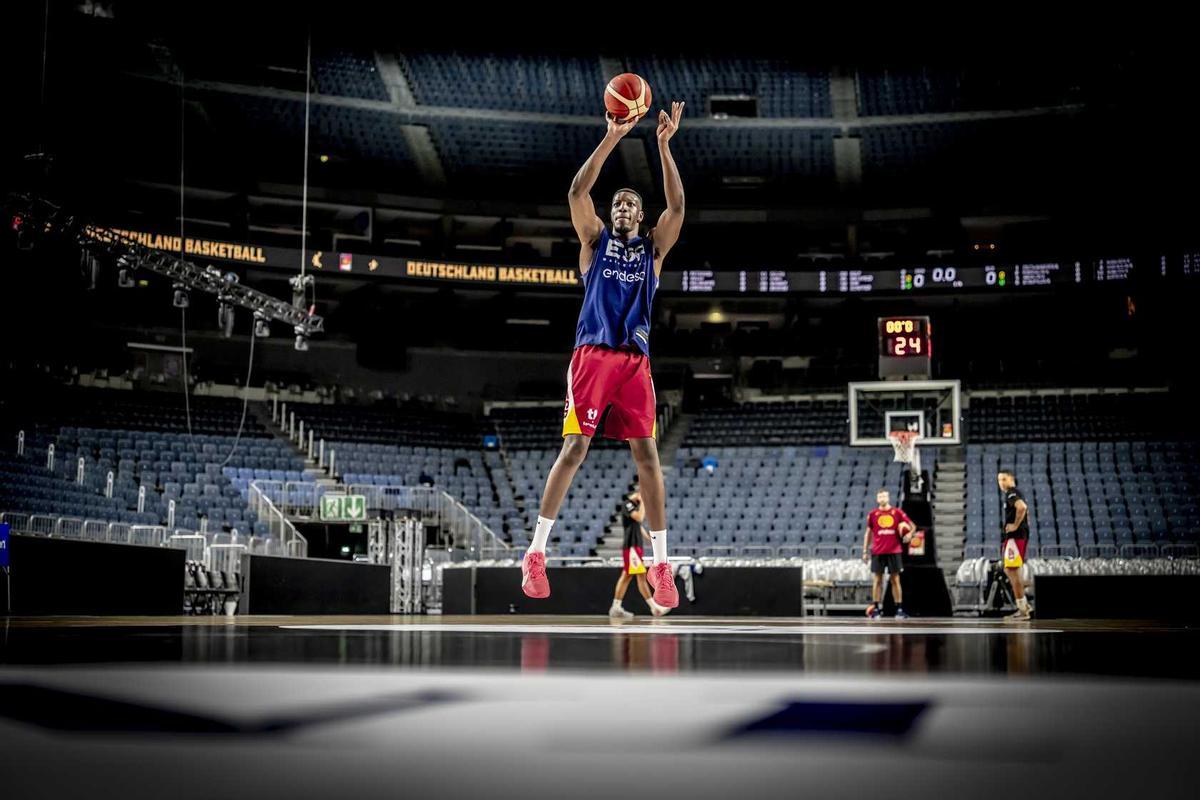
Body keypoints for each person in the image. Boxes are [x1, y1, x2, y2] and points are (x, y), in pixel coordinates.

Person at [521, 101, 687, 611]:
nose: (621, 207)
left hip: (634, 361)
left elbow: (677, 208)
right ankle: (535, 553)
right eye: (616, 202)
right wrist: (613, 136)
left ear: (641, 215)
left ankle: (661, 565)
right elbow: (576, 192)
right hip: (591, 356)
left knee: (649, 455)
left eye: (630, 204)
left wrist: (662, 145)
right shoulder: (593, 242)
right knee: (574, 450)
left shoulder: (653, 250)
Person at [610, 486, 669, 619]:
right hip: (631, 546)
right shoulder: (627, 504)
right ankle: (654, 608)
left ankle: (616, 607)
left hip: (635, 546)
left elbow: (638, 525)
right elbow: (639, 518)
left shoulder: (633, 506)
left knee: (627, 576)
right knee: (639, 575)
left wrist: (648, 538)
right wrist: (643, 501)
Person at [862, 488, 915, 619]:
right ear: (877, 499)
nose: (882, 499)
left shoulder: (897, 512)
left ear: (888, 497)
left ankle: (899, 609)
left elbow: (912, 526)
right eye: (880, 497)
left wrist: (909, 533)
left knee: (895, 580)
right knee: (877, 580)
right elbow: (868, 533)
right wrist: (865, 551)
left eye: (884, 496)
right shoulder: (873, 514)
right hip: (878, 551)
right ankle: (876, 609)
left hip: (894, 550)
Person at [997, 469, 1033, 621]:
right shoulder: (1015, 493)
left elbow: (1022, 507)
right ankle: (1024, 605)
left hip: (1015, 536)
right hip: (1016, 537)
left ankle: (1023, 610)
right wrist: (1025, 524)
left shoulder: (1012, 492)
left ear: (1011, 479)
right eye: (999, 480)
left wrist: (1015, 525)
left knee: (1012, 570)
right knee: (1009, 570)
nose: (1001, 483)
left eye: (1004, 479)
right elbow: (1027, 511)